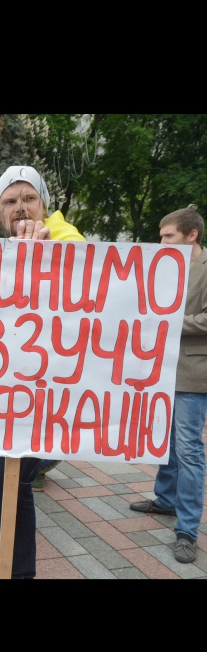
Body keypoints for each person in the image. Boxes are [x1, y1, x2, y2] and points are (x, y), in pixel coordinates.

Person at [0, 166, 84, 579]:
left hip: (52, 403)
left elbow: (86, 268)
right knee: (13, 490)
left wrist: (48, 251)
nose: (21, 208)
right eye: (10, 201)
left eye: (29, 198)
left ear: (44, 205)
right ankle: (16, 571)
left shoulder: (64, 236)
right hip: (10, 401)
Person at [130, 209, 207, 564]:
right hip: (161, 370)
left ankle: (187, 530)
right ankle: (164, 500)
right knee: (166, 440)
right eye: (161, 236)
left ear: (192, 236)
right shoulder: (164, 267)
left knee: (189, 449)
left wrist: (169, 319)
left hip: (193, 374)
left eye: (168, 236)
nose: (161, 243)